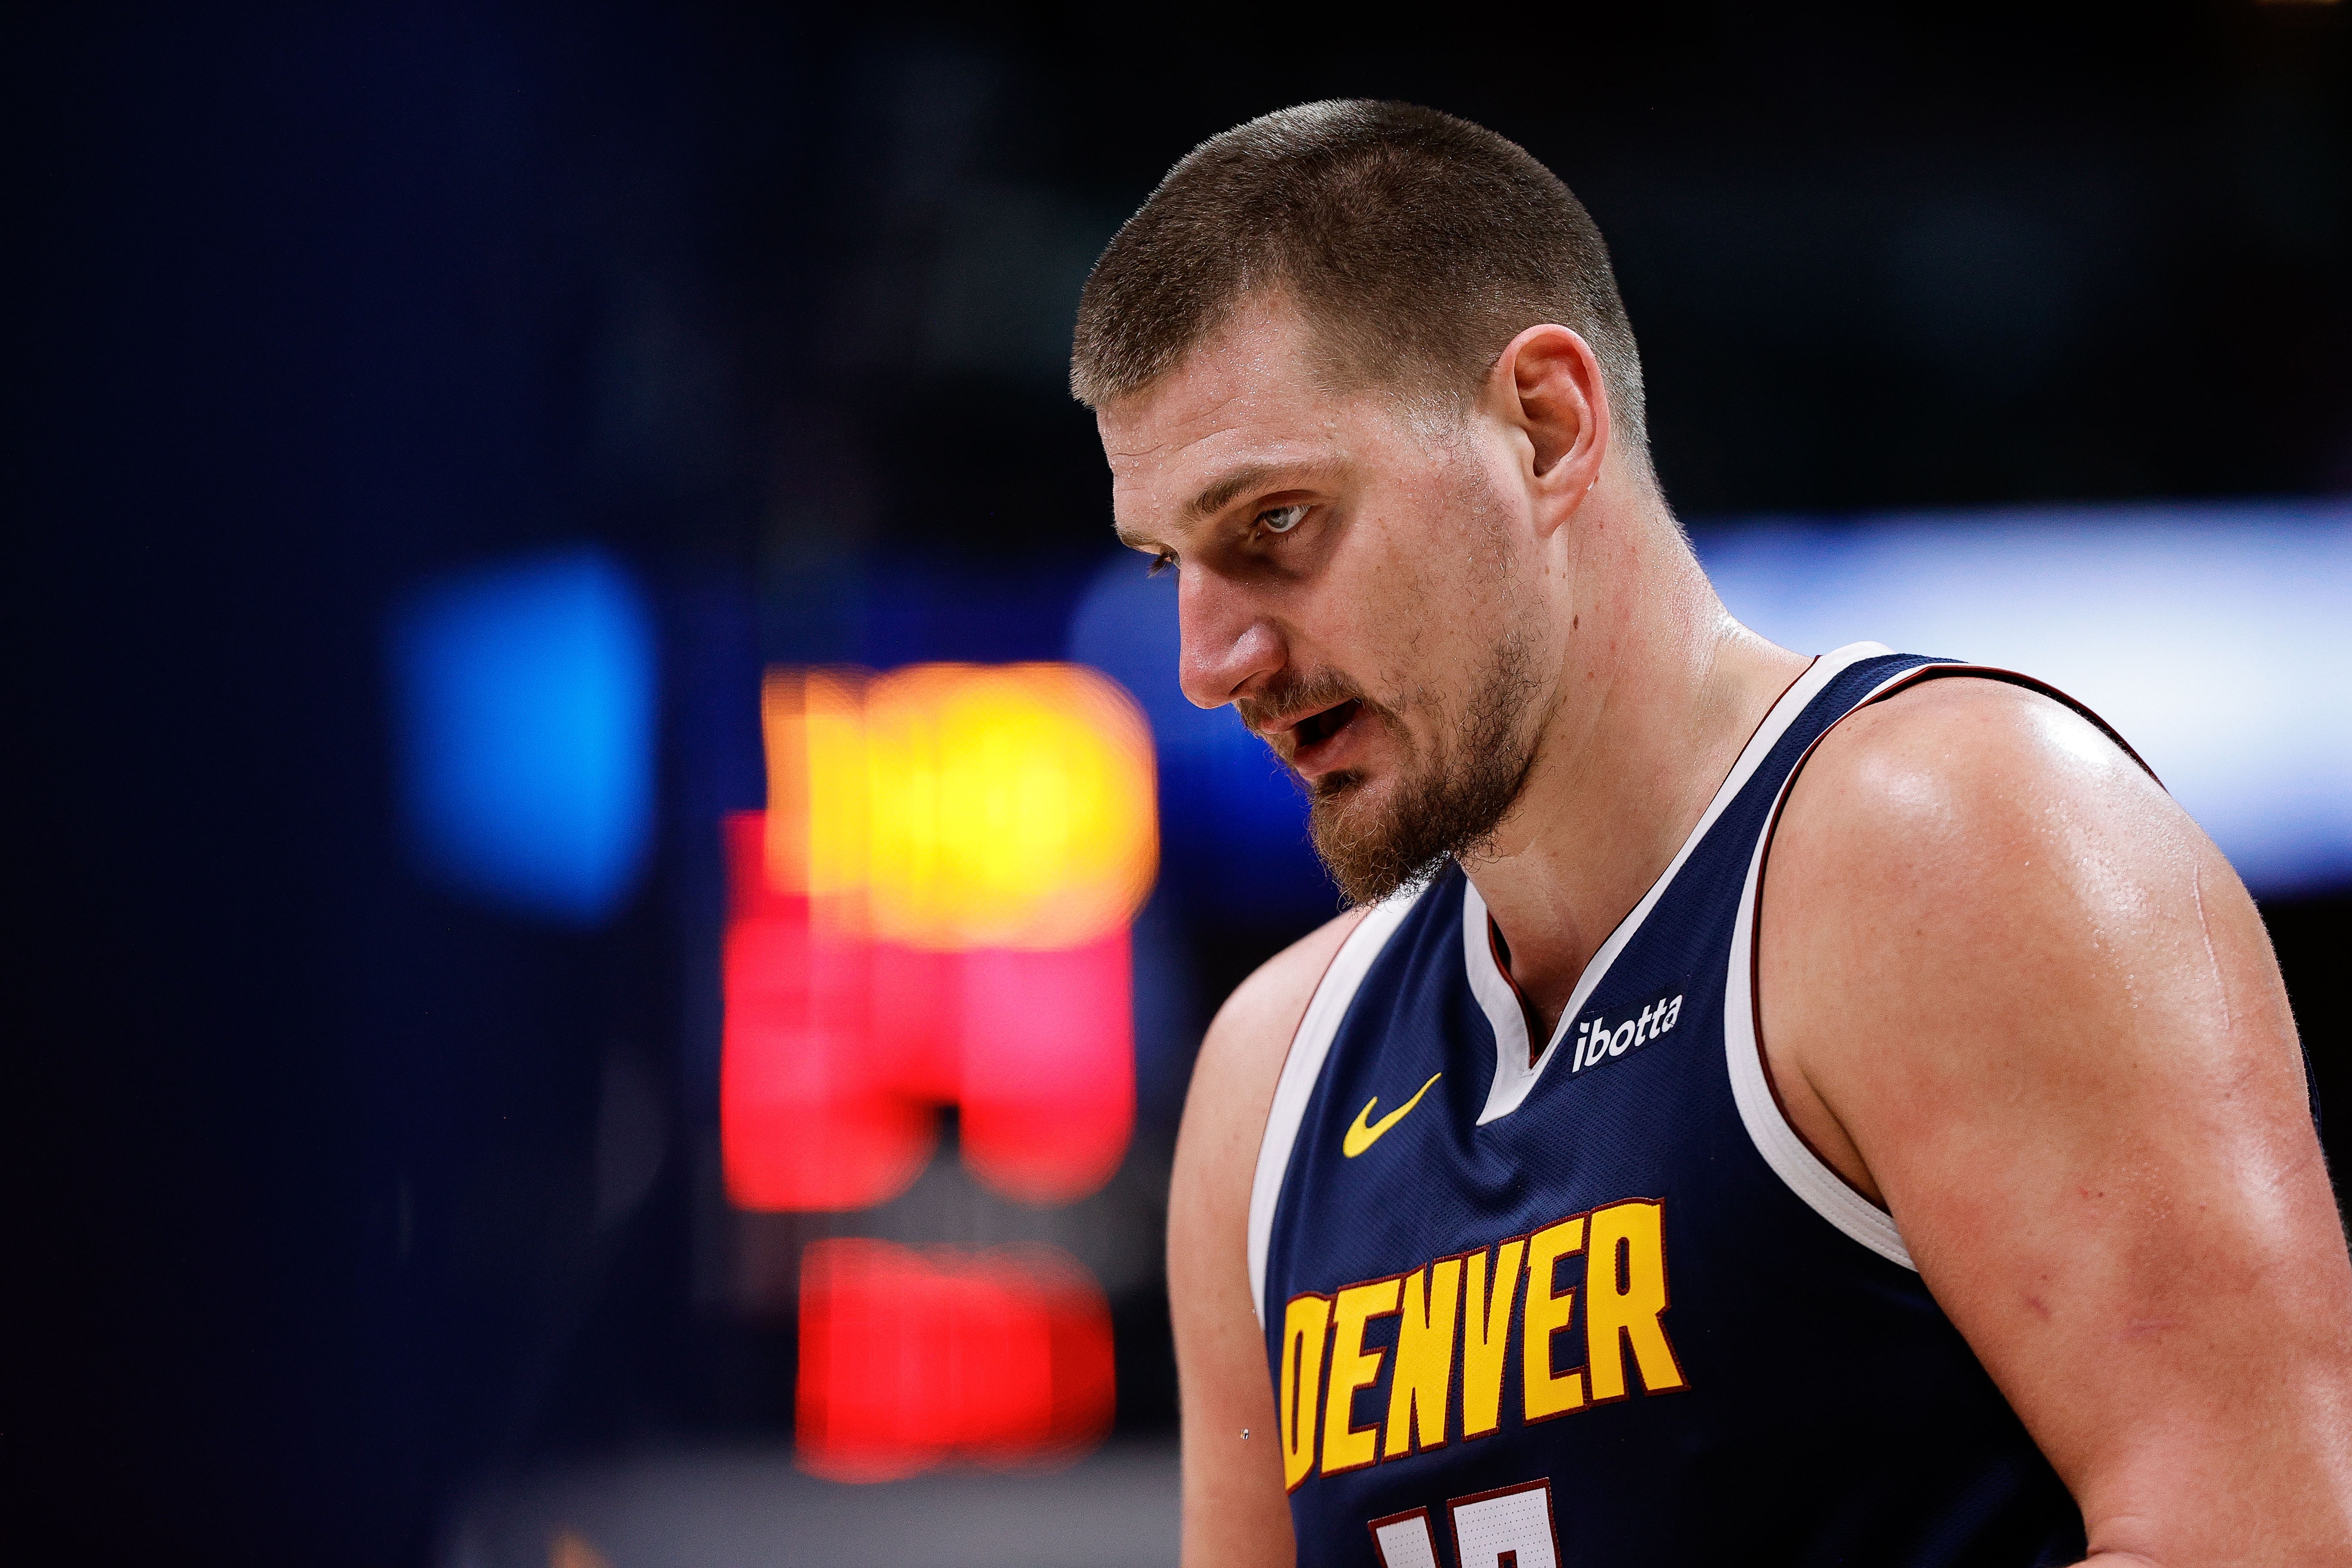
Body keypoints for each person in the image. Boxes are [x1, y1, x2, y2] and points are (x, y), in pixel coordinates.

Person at [1069, 100, 2352, 1568]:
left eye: (1277, 522)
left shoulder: (1951, 846)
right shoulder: (1271, 1080)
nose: (1209, 660)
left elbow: (2269, 1536)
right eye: (1169, 562)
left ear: (1545, 429)